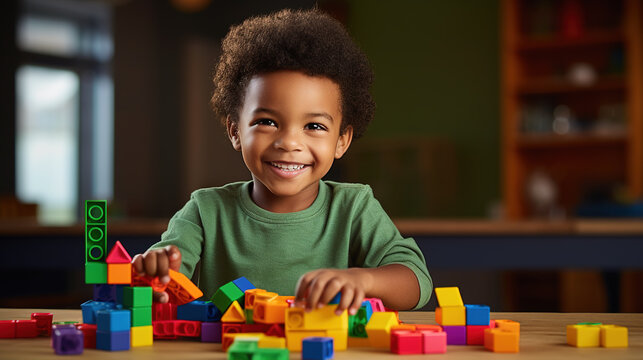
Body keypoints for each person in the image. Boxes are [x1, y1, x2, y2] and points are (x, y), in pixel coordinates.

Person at [132, 8, 432, 316]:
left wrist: (363, 279)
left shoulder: (354, 207)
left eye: (314, 126)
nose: (289, 142)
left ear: (342, 140)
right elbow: (165, 277)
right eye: (267, 121)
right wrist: (155, 273)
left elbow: (416, 283)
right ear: (235, 131)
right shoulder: (206, 210)